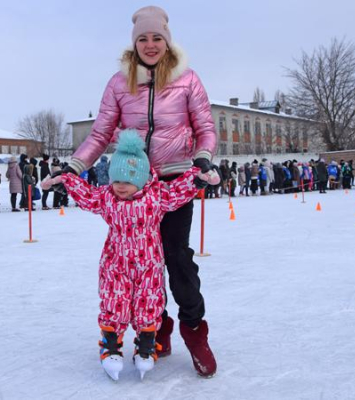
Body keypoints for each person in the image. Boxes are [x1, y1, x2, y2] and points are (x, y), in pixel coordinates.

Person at [55, 6, 218, 378]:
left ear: (167, 41)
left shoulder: (188, 80)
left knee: (176, 258)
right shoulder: (118, 83)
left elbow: (205, 126)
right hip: (135, 186)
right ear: (134, 44)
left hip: (175, 179)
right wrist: (73, 167)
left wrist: (203, 159)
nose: (149, 44)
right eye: (143, 38)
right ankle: (155, 326)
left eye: (156, 38)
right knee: (138, 263)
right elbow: (99, 134)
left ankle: (194, 330)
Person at [41, 131, 217, 381]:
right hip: (115, 264)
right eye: (116, 181)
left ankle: (146, 342)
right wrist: (67, 179)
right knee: (115, 300)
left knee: (149, 300)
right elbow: (87, 194)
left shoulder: (155, 197)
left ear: (143, 180)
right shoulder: (107, 198)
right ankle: (111, 343)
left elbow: (177, 190)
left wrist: (197, 178)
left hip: (148, 265)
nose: (120, 187)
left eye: (127, 181)